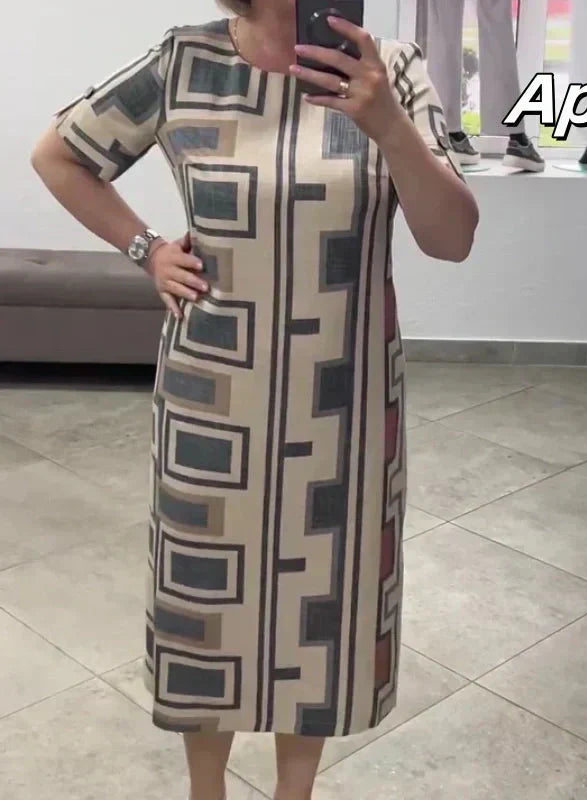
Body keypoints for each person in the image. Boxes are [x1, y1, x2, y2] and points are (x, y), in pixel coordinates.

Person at [30, 2, 478, 799]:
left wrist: (386, 124)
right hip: (213, 397)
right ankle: (205, 791)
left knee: (323, 613)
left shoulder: (392, 71)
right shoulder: (184, 62)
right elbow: (58, 155)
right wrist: (147, 250)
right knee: (206, 606)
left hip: (344, 407)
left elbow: (452, 238)